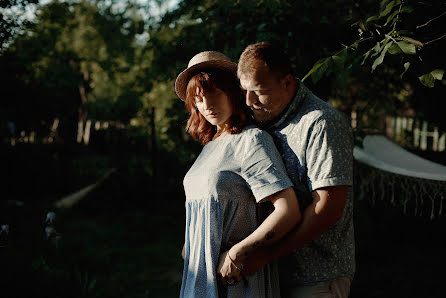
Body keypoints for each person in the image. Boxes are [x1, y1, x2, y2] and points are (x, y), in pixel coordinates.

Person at [174, 51, 301, 298]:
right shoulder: (211, 145)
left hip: (234, 282)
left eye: (214, 93)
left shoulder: (251, 141)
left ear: (233, 93)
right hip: (197, 277)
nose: (207, 104)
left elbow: (289, 210)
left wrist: (238, 252)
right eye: (199, 98)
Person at [236, 42, 355, 298]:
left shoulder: (322, 123)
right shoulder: (265, 119)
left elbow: (328, 208)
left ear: (288, 82)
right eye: (244, 90)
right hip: (272, 276)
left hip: (316, 278)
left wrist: (267, 255)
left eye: (260, 91)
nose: (249, 101)